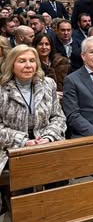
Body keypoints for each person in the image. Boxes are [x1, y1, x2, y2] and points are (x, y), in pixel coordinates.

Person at [0, 45, 66, 176]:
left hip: (46, 144)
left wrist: (48, 137)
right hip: (11, 149)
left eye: (32, 60)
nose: (28, 65)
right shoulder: (2, 89)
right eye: (22, 61)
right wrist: (23, 141)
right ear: (11, 65)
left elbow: (58, 117)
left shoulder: (48, 84)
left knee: (59, 174)